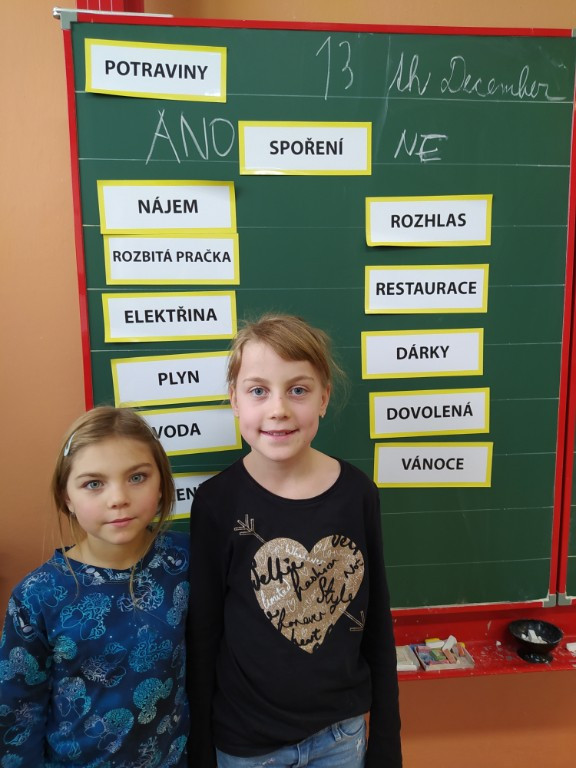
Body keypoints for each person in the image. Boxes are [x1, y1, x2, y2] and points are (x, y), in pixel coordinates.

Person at [187, 314, 402, 768]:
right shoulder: (216, 502)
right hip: (245, 743)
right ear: (234, 400)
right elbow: (203, 633)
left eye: (298, 390)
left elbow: (377, 619)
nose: (279, 409)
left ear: (324, 397)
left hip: (340, 736)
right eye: (258, 391)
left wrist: (387, 739)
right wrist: (200, 747)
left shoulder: (357, 493)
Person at [0, 406, 190, 767]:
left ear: (162, 483)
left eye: (137, 477)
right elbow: (18, 711)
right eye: (93, 484)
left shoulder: (183, 560)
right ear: (67, 496)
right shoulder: (37, 595)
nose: (118, 498)